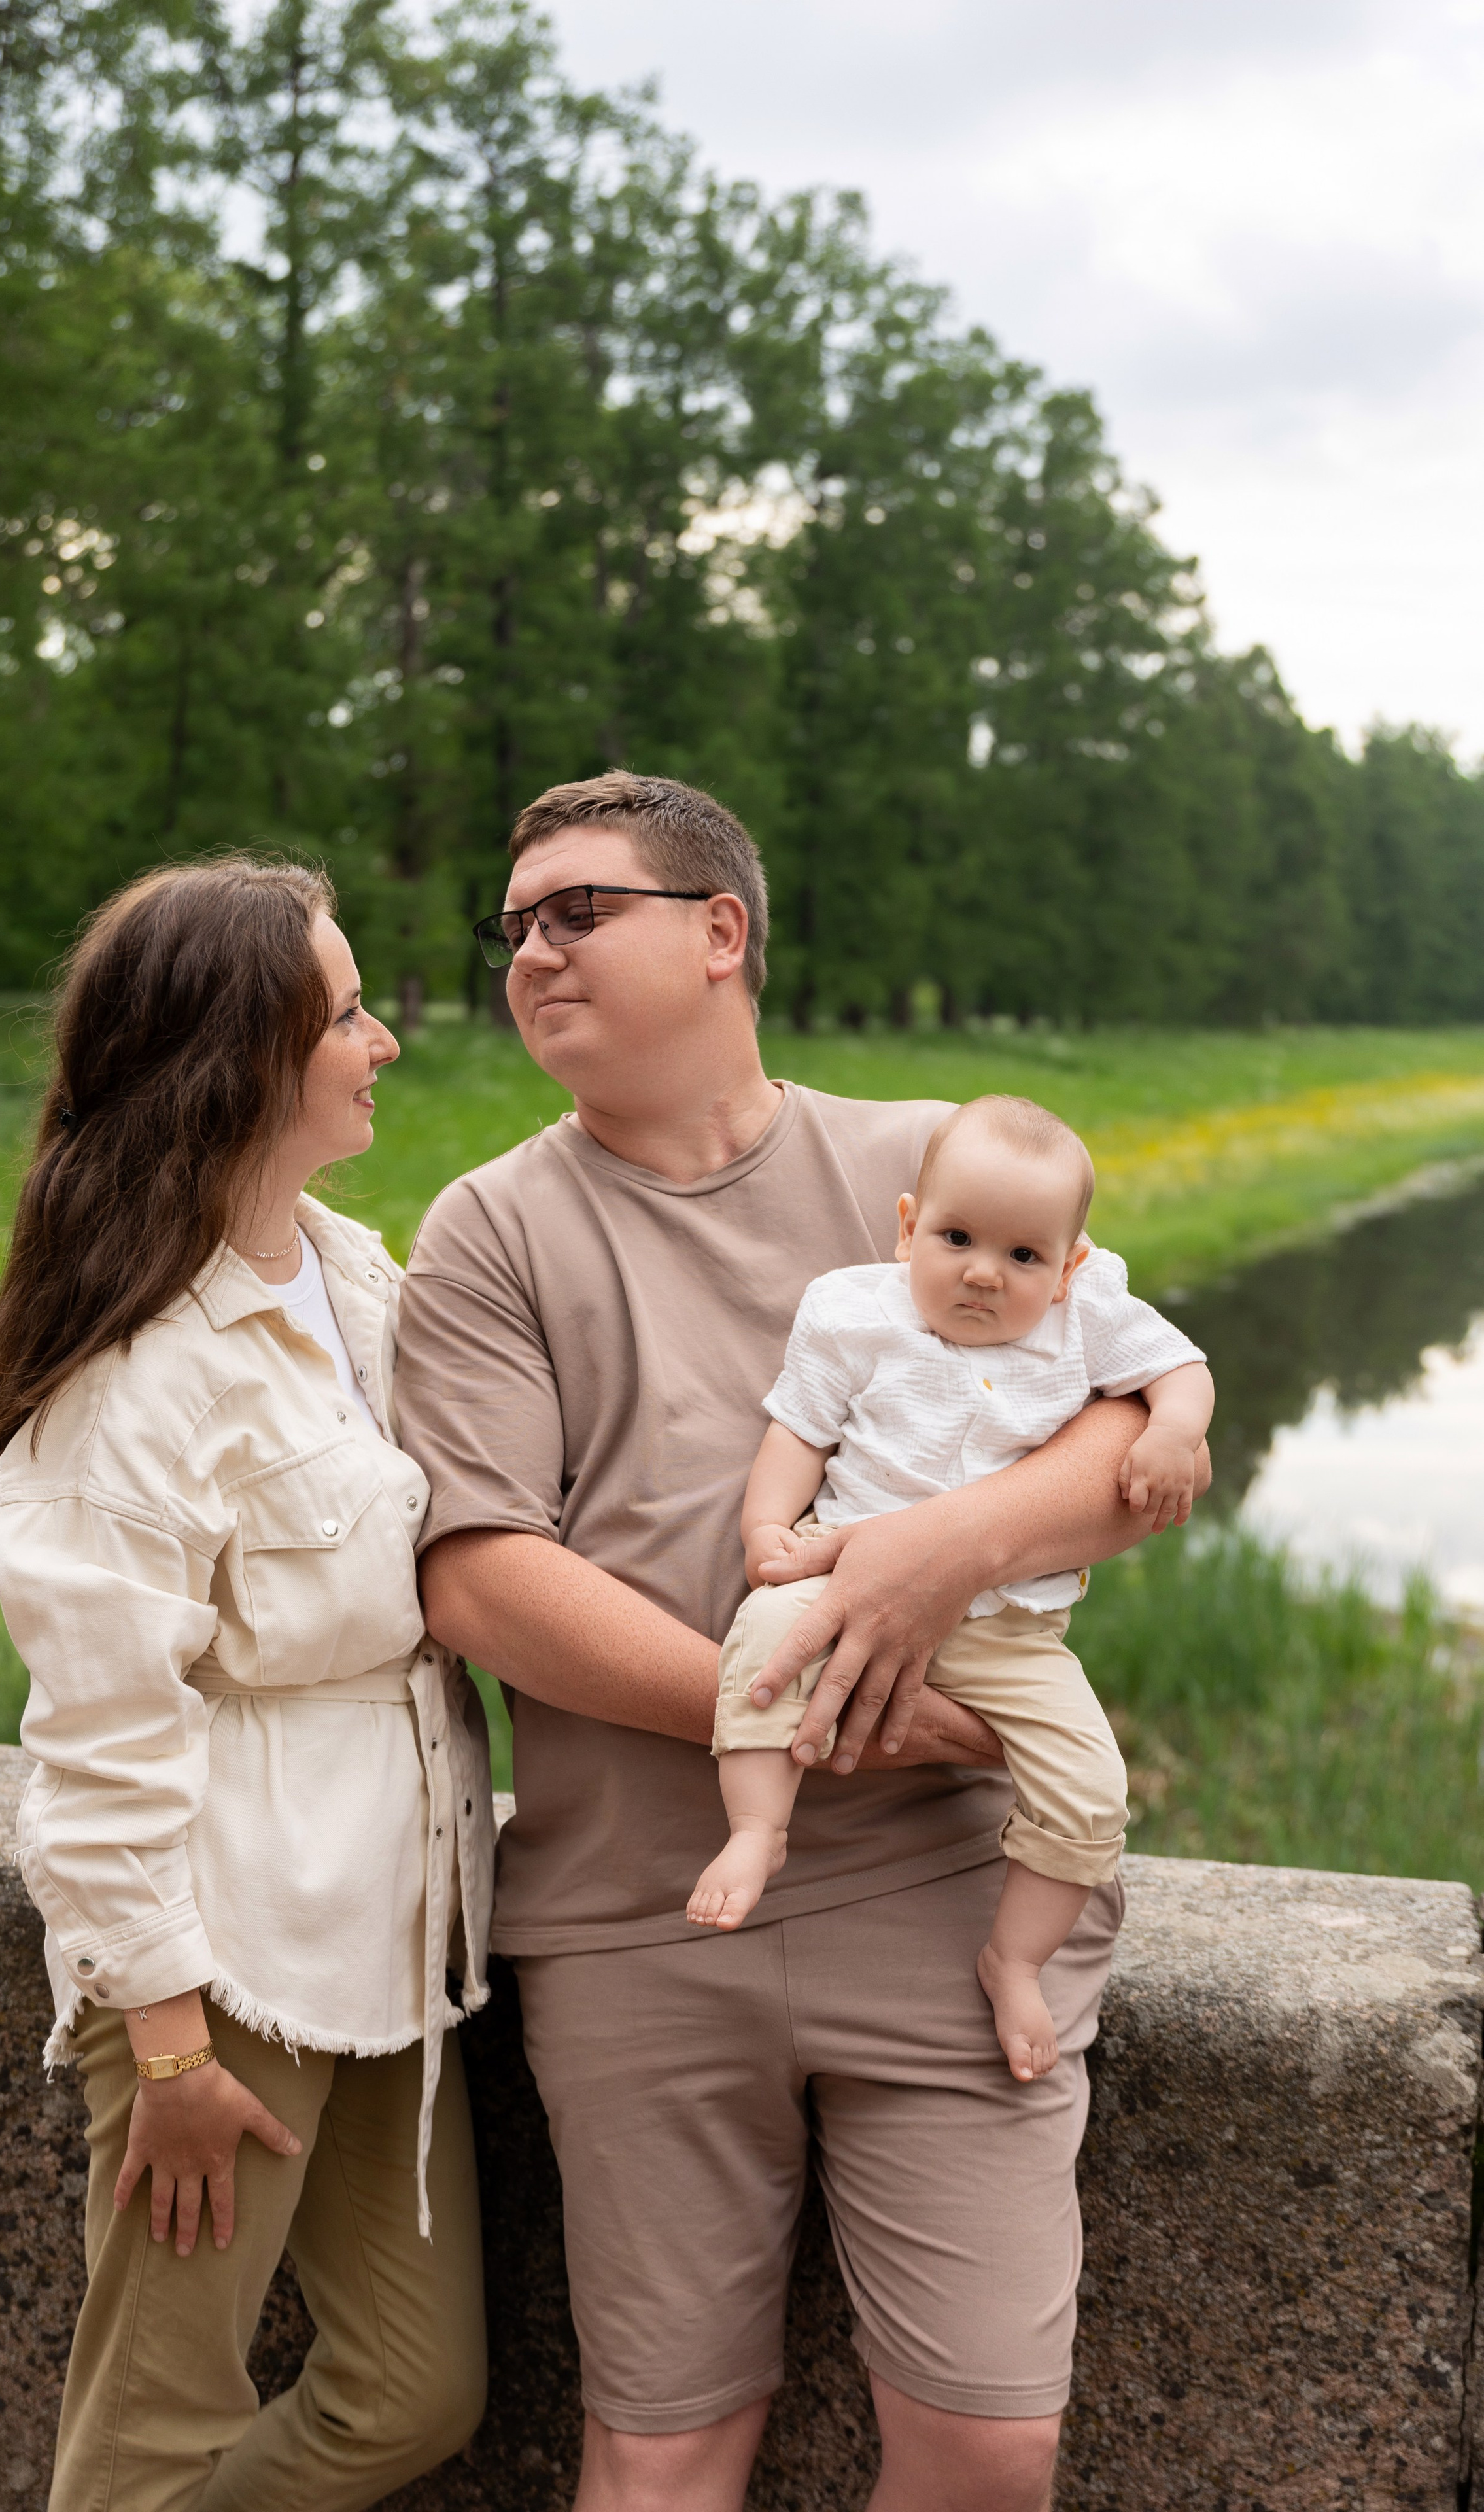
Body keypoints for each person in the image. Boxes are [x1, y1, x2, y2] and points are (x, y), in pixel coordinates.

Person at [395, 770, 1211, 2512]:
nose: (531, 949)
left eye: (577, 910)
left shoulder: (924, 1165)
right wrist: (793, 1702)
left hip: (947, 1906)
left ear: (720, 932)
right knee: (661, 2457)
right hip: (640, 1927)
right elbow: (476, 1579)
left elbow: (1134, 1432)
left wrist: (932, 1556)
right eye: (513, 923)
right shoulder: (488, 1229)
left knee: (990, 2451)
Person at [0, 856, 494, 2512]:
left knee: (416, 2393)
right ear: (240, 1062)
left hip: (396, 1934)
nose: (384, 1040)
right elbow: (97, 1750)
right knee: (146, 2446)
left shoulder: (347, 1272)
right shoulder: (127, 1388)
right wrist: (172, 2051)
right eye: (345, 1014)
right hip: (227, 1963)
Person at [688, 1091, 1213, 2084]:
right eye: (958, 1238)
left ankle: (1013, 1957)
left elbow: (1181, 1367)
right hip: (845, 1573)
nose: (983, 1273)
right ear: (906, 1228)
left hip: (1011, 1628)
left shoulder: (1089, 1316)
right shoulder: (852, 1310)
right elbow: (798, 1429)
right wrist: (768, 1529)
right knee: (765, 1643)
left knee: (1093, 1788)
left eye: (1024, 1258)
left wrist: (1173, 1429)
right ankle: (758, 1829)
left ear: (1070, 1268)